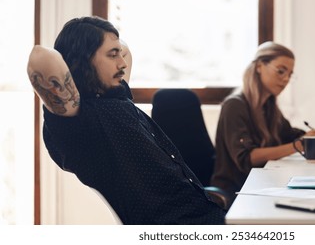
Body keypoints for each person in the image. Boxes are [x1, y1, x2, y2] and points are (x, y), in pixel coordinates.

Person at [27, 16, 226, 225]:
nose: (122, 62)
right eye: (112, 55)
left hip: (203, 214)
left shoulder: (116, 97)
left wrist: (109, 43)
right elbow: (40, 57)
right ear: (82, 60)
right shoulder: (81, 122)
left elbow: (126, 50)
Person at [210, 41, 315, 206]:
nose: (286, 79)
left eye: (289, 74)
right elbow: (246, 158)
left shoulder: (269, 106)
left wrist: (312, 136)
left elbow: (287, 134)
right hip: (238, 191)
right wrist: (299, 145)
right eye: (281, 71)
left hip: (262, 184)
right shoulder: (235, 105)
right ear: (259, 66)